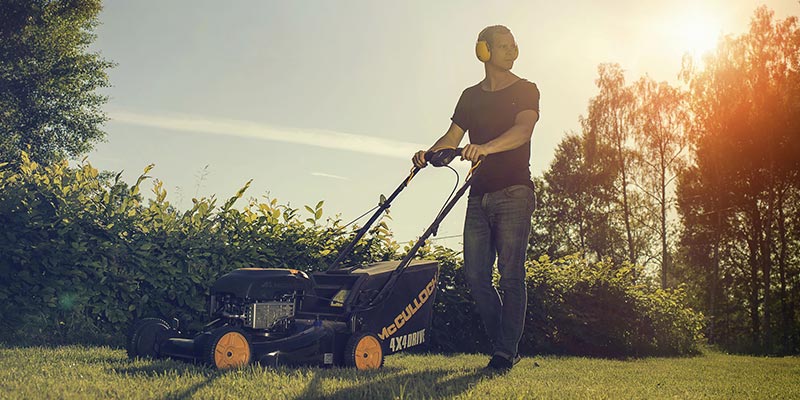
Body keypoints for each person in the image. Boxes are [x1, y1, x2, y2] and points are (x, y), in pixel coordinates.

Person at [412, 25, 539, 371]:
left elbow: (523, 130)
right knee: (476, 276)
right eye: (503, 46)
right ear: (484, 52)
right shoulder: (470, 96)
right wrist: (428, 153)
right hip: (478, 194)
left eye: (514, 45)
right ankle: (507, 345)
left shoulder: (526, 90)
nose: (512, 50)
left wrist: (485, 147)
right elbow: (453, 136)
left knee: (511, 275)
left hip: (515, 191)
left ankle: (503, 353)